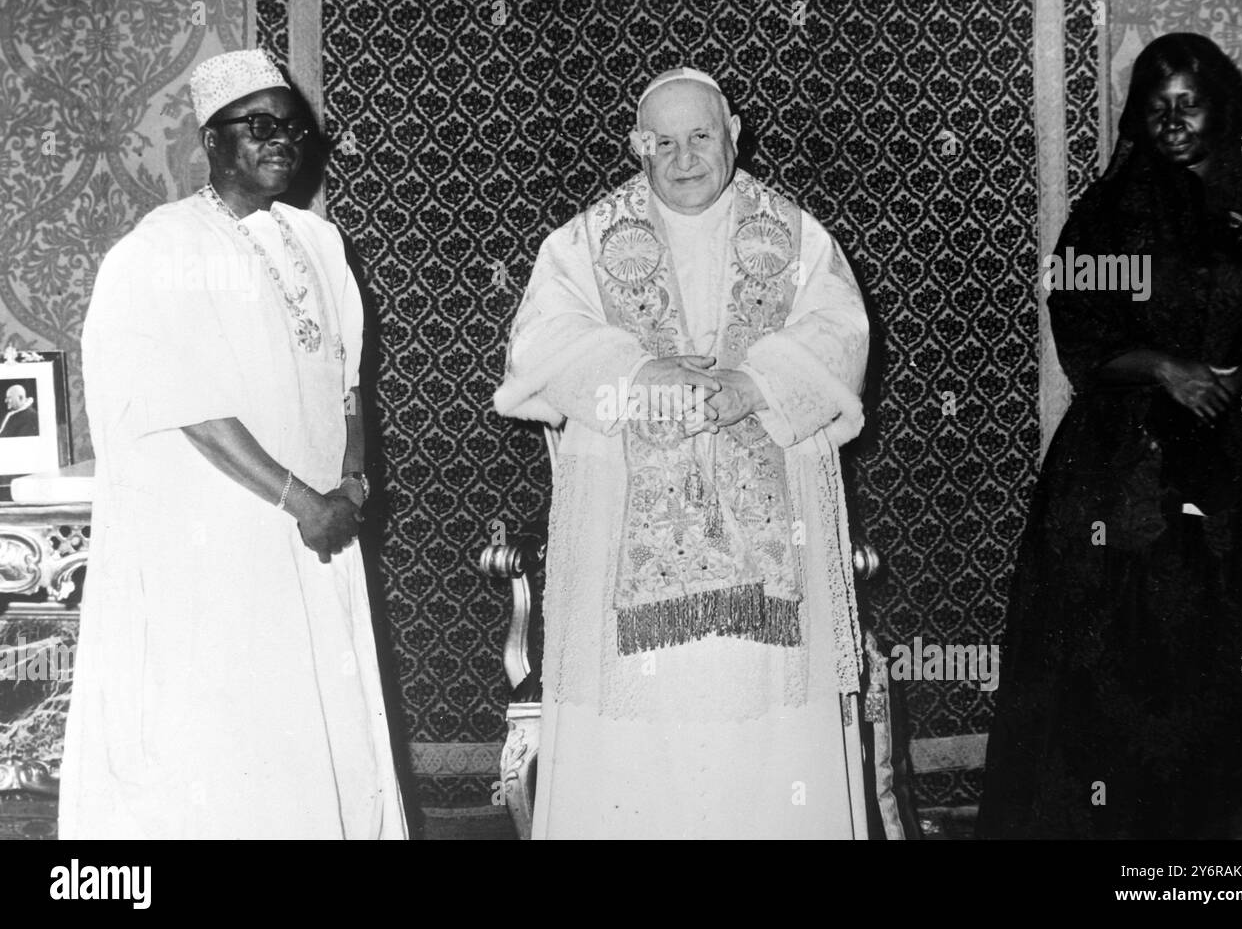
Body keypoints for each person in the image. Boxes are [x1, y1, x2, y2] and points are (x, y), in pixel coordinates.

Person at [495, 67, 875, 838]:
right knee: (640, 725)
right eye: (662, 141)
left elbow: (840, 333)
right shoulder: (584, 243)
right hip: (622, 540)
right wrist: (638, 374)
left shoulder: (797, 236)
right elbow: (538, 343)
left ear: (733, 132)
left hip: (774, 546)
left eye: (701, 136)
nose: (685, 156)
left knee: (763, 714)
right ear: (638, 148)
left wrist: (756, 382)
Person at [61, 49, 407, 838]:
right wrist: (299, 501)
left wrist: (351, 479)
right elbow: (187, 404)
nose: (280, 141)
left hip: (319, 527)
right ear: (211, 141)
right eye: (258, 126)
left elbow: (348, 378)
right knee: (237, 740)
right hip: (224, 543)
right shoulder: (160, 249)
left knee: (322, 725)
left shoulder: (319, 242)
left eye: (290, 127)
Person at [979, 33, 1242, 839]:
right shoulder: (1111, 210)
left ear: (1221, 107)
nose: (1174, 121)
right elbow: (1079, 321)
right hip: (1130, 460)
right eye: (1157, 108)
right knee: (1135, 660)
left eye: (1189, 103)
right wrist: (1165, 367)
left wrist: (1241, 381)